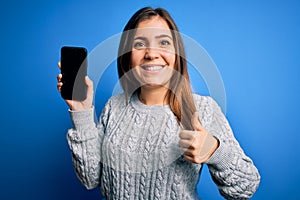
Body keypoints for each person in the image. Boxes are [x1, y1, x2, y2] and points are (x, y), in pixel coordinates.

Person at [57, 7, 260, 200]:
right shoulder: (113, 107)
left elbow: (246, 188)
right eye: (139, 44)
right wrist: (82, 112)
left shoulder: (204, 109)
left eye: (163, 43)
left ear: (177, 54)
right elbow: (90, 178)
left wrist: (215, 151)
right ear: (128, 56)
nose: (151, 53)